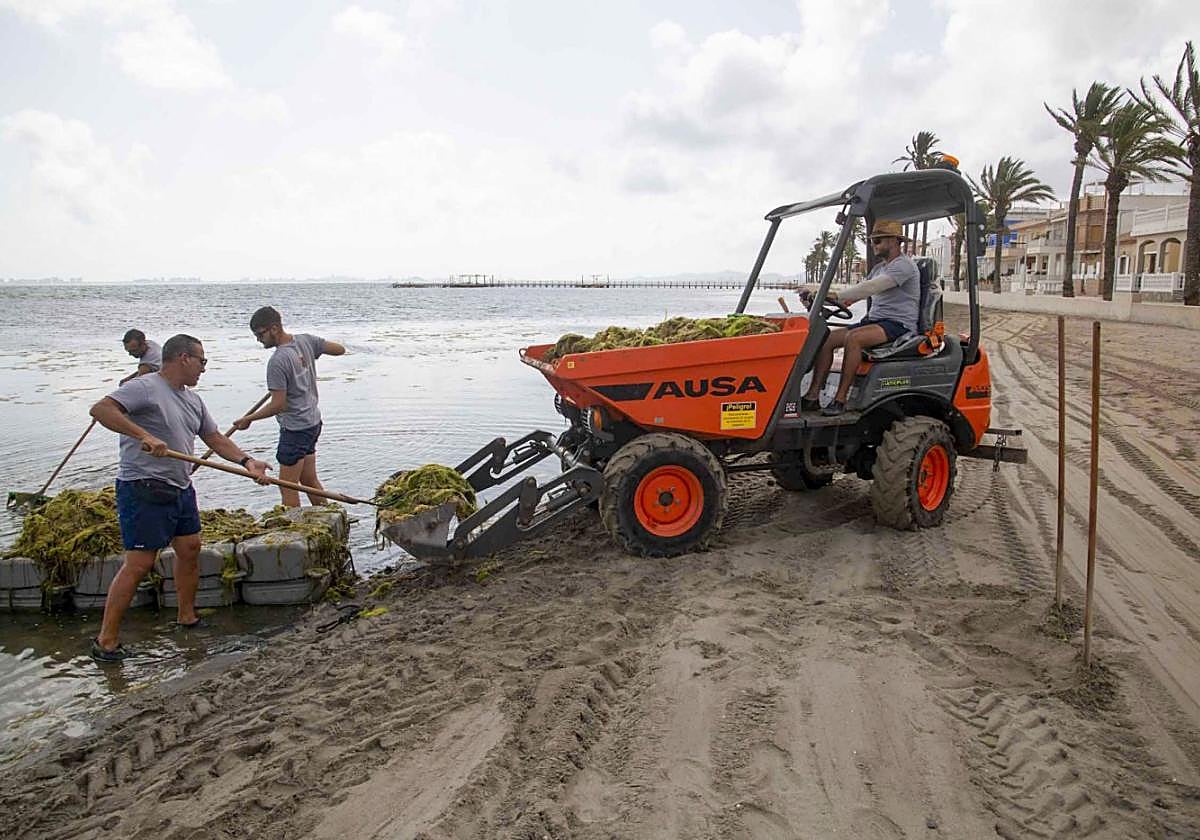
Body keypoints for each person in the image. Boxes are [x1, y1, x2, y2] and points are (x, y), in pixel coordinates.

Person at [89, 334, 270, 662]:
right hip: (143, 487)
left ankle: (187, 618)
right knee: (140, 563)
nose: (204, 368)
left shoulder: (193, 400)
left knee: (190, 549)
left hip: (180, 486)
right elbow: (101, 409)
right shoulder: (145, 386)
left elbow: (213, 436)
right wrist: (144, 435)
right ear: (183, 358)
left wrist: (247, 461)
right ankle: (106, 641)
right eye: (202, 361)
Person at [799, 219, 920, 417]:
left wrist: (838, 295)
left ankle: (840, 399)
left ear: (894, 240)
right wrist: (821, 301)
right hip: (875, 321)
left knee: (854, 338)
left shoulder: (903, 266)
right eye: (872, 241)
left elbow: (873, 287)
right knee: (826, 339)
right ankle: (812, 397)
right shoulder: (879, 268)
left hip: (898, 324)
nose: (874, 245)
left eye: (878, 240)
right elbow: (859, 294)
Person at [233, 307, 345, 507]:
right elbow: (339, 349)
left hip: (295, 428)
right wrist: (308, 357)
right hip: (312, 423)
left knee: (287, 485)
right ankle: (327, 513)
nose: (259, 340)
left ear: (274, 328)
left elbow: (278, 405)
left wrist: (248, 419)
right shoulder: (305, 341)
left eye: (260, 334)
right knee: (308, 480)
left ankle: (295, 528)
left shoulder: (277, 361)